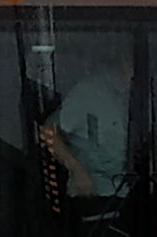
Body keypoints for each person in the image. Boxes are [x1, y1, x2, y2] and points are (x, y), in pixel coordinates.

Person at [39, 39, 133, 199]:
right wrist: (77, 170)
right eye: (133, 61)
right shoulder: (89, 93)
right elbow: (47, 133)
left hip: (130, 194)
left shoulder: (135, 97)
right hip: (93, 195)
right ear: (123, 60)